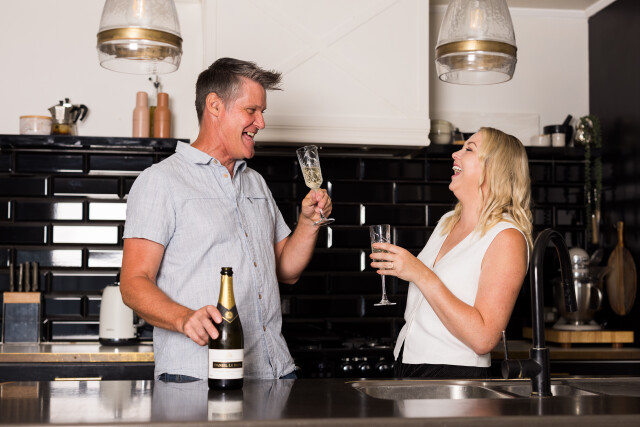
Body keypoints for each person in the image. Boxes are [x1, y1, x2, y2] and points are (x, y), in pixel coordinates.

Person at [120, 58, 332, 382]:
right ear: (215, 105)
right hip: (196, 377)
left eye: (262, 112)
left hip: (274, 372)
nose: (261, 122)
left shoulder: (255, 183)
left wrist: (308, 222)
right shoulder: (161, 181)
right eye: (251, 110)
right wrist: (183, 318)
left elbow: (286, 271)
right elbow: (134, 282)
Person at [370, 127, 532, 378]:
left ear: (493, 168)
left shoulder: (507, 237)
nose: (455, 154)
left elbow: (484, 339)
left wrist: (419, 272)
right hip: (407, 364)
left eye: (469, 149)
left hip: (455, 375)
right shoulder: (447, 222)